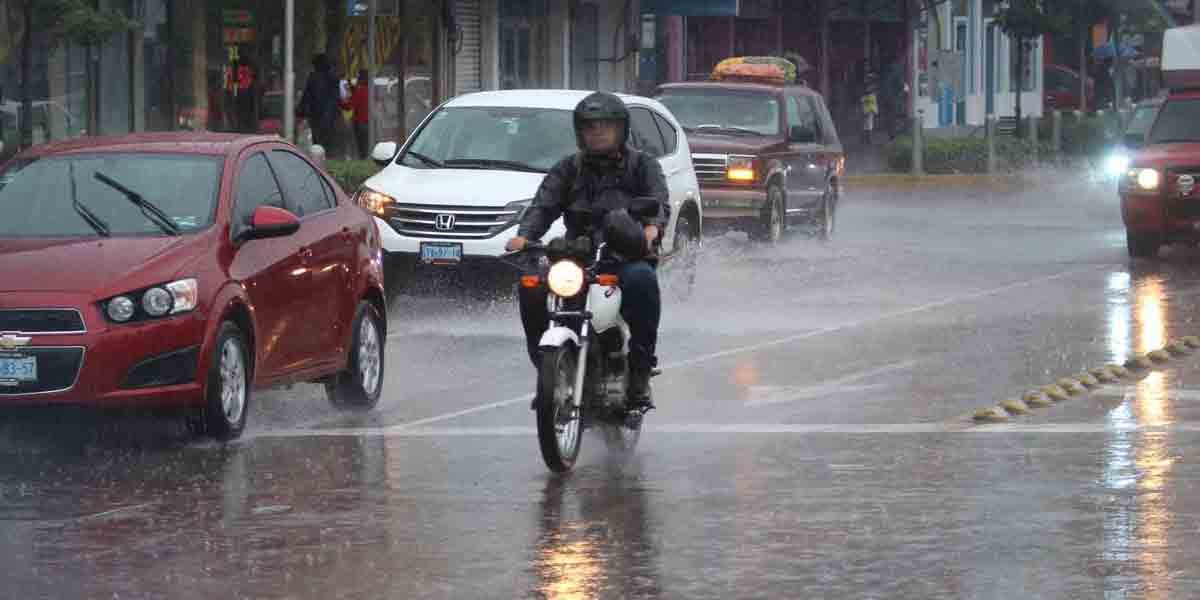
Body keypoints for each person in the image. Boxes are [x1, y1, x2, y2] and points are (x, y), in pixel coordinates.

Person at [505, 91, 670, 410]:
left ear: (621, 129)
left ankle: (639, 371)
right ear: (580, 132)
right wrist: (524, 237)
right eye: (590, 126)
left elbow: (658, 204)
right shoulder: (568, 168)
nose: (598, 132)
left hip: (625, 255)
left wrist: (651, 229)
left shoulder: (642, 165)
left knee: (642, 282)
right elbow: (543, 206)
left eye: (605, 125)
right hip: (577, 257)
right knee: (532, 285)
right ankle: (549, 369)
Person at [297, 53, 341, 151]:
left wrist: (301, 110)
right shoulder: (334, 78)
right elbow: (337, 98)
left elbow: (307, 96)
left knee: (318, 140)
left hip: (316, 114)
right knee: (328, 139)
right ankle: (328, 155)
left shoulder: (313, 77)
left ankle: (320, 155)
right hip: (329, 115)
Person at [340, 69, 370, 159]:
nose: (357, 79)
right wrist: (352, 88)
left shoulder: (360, 91)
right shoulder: (370, 90)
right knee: (366, 147)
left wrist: (338, 101)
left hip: (360, 123)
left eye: (358, 78)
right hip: (369, 122)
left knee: (361, 149)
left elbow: (349, 106)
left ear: (362, 79)